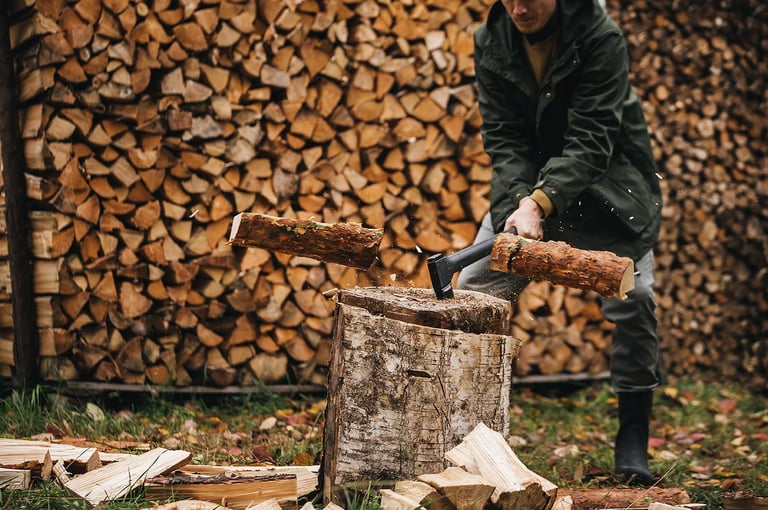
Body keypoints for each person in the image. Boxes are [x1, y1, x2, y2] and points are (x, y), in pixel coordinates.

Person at [457, 0, 662, 486]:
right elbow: (504, 139)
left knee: (637, 301)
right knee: (471, 291)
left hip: (607, 187)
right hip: (527, 192)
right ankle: (462, 431)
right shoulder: (491, 40)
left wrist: (540, 203)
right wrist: (518, 204)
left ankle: (633, 434)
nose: (520, 7)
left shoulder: (600, 37)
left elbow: (593, 140)